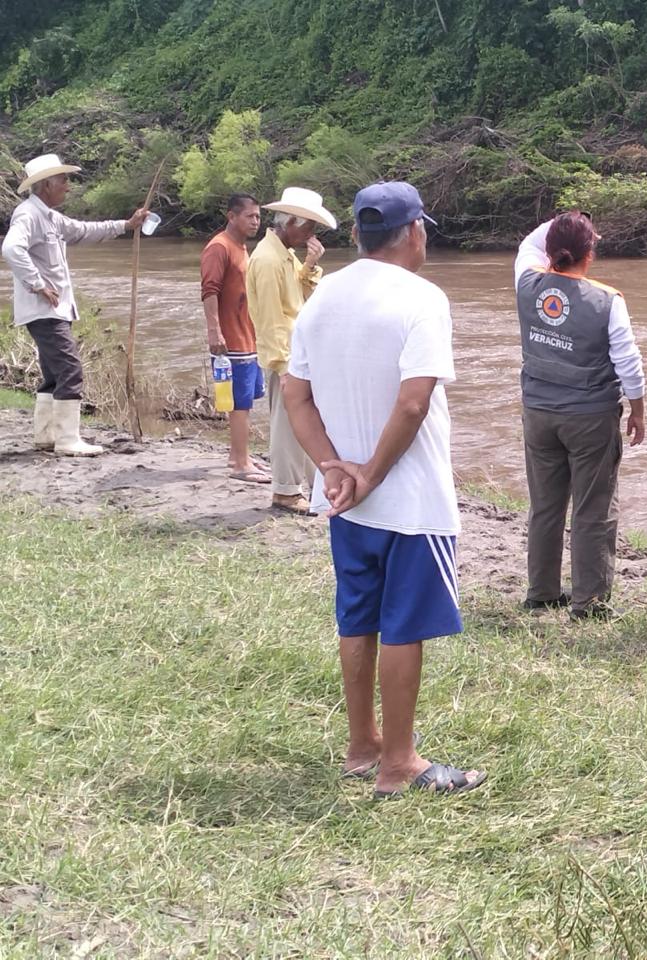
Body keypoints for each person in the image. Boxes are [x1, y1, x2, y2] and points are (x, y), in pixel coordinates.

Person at [284, 181, 485, 799]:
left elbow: (295, 394)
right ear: (416, 232)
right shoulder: (423, 298)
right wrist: (370, 471)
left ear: (356, 235)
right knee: (404, 626)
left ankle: (362, 744)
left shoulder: (323, 295)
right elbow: (414, 399)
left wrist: (331, 467)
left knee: (358, 618)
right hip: (410, 500)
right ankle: (399, 764)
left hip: (346, 501)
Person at [514, 212, 645, 620]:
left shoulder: (526, 284)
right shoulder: (606, 300)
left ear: (550, 250)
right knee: (593, 508)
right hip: (589, 416)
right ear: (590, 252)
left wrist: (564, 222)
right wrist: (638, 408)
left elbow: (527, 245)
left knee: (545, 506)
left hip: (538, 412)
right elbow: (629, 362)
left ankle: (541, 593)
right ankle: (588, 602)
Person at [1, 153, 149, 456]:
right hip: (44, 309)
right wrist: (38, 284)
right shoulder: (28, 214)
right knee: (70, 369)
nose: (68, 186)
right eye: (63, 180)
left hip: (52, 309)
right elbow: (11, 248)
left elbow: (83, 231)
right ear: (45, 185)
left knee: (54, 372)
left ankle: (46, 436)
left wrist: (127, 224)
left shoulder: (50, 217)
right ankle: (68, 440)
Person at [246, 186, 334, 515]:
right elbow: (270, 320)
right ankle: (285, 491)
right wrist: (283, 367)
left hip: (296, 353)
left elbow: (297, 296)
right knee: (287, 423)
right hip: (287, 356)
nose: (310, 233)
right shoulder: (269, 259)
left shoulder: (281, 253)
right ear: (291, 222)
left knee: (304, 419)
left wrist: (310, 264)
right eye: (308, 226)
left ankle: (311, 486)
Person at [201, 193, 269, 483]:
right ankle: (241, 464)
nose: (255, 221)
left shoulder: (241, 247)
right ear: (231, 216)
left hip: (248, 335)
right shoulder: (219, 247)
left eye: (258, 216)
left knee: (246, 399)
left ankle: (238, 455)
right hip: (231, 339)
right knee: (239, 402)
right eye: (249, 216)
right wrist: (214, 330)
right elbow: (209, 290)